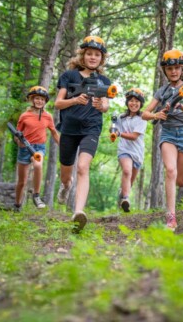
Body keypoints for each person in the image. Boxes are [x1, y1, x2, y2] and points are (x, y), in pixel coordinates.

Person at [55, 35, 113, 233]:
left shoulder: (104, 81)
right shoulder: (69, 76)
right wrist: (74, 101)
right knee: (66, 173)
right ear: (83, 55)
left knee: (82, 167)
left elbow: (106, 105)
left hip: (91, 128)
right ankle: (65, 186)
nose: (93, 57)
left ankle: (78, 212)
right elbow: (57, 103)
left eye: (97, 55)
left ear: (101, 59)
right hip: (69, 129)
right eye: (89, 54)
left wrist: (101, 105)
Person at [142, 49, 183, 231]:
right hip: (167, 133)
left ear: (182, 69)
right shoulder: (162, 91)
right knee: (170, 170)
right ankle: (171, 216)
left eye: (176, 68)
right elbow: (144, 113)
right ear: (165, 71)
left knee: (181, 180)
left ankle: (172, 190)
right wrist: (156, 114)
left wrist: (181, 106)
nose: (173, 71)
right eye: (169, 69)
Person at [13, 86, 60, 211]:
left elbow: (54, 132)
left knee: (38, 165)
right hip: (24, 148)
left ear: (45, 102)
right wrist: (19, 142)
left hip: (39, 147)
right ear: (32, 100)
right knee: (22, 182)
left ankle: (36, 195)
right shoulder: (24, 116)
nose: (40, 101)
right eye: (37, 98)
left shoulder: (47, 116)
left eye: (42, 99)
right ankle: (17, 205)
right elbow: (17, 135)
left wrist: (62, 145)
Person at [111, 88, 147, 213]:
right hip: (124, 150)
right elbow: (114, 128)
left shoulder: (143, 118)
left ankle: (122, 197)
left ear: (141, 103)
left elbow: (133, 136)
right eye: (131, 100)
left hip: (137, 153)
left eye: (137, 101)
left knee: (129, 181)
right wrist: (113, 130)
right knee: (127, 171)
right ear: (127, 103)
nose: (134, 103)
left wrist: (119, 133)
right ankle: (126, 199)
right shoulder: (121, 117)